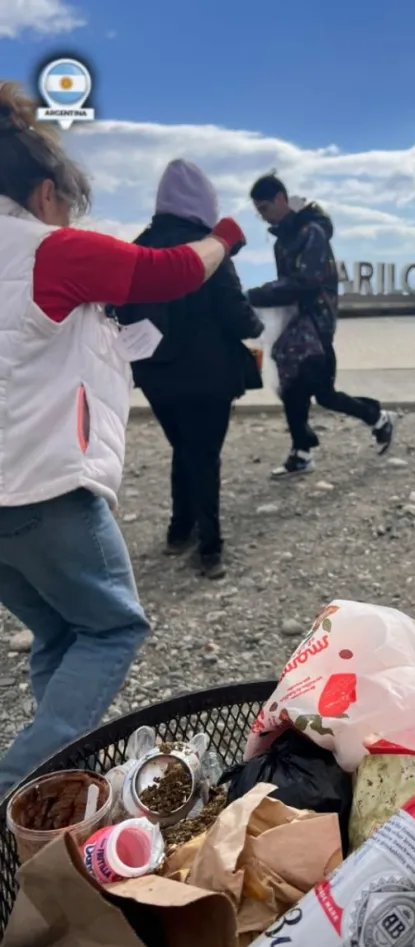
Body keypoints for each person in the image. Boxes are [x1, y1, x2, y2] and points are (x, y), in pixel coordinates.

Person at [0, 81, 247, 796]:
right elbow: (167, 272)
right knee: (113, 628)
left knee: (61, 635)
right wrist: (225, 237)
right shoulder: (47, 250)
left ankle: (63, 780)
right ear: (46, 192)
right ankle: (23, 786)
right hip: (44, 486)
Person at [114, 160, 263, 580]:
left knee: (183, 447)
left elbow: (119, 310)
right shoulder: (207, 248)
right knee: (205, 455)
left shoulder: (137, 246)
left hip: (156, 377)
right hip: (209, 376)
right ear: (204, 203)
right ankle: (210, 548)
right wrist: (257, 325)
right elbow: (237, 316)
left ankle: (179, 530)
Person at [247, 175, 394, 479]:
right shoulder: (284, 240)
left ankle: (377, 416)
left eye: (264, 208)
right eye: (257, 211)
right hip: (294, 326)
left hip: (317, 324)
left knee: (322, 393)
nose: (262, 216)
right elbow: (289, 287)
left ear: (280, 199)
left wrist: (257, 294)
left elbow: (306, 282)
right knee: (292, 388)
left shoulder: (310, 232)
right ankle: (301, 452)